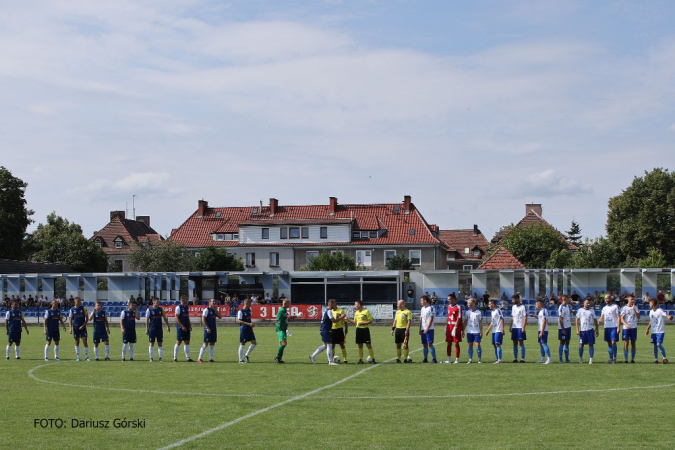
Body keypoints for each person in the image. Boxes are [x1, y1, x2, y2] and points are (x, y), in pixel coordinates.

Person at [309, 299, 340, 365]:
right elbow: (333, 321)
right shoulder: (329, 311)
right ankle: (330, 362)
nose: (335, 305)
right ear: (331, 304)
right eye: (334, 304)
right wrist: (341, 317)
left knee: (325, 345)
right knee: (329, 344)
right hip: (325, 330)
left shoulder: (326, 310)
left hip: (324, 329)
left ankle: (313, 356)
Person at [345, 299, 376, 364]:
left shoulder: (366, 311)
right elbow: (355, 322)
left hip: (365, 330)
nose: (355, 305)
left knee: (368, 345)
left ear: (359, 305)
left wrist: (363, 323)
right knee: (360, 345)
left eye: (355, 304)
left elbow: (370, 321)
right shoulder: (356, 312)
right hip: (358, 330)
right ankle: (360, 359)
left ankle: (373, 359)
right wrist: (348, 319)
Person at [645, 298, 674, 364]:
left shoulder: (660, 310)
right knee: (655, 345)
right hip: (654, 332)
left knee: (658, 344)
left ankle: (664, 358)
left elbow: (666, 314)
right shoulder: (651, 312)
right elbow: (651, 321)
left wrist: (669, 317)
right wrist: (647, 329)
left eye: (650, 303)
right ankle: (656, 359)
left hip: (660, 331)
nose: (649, 304)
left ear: (652, 303)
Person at [146, 298, 171, 362]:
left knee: (160, 343)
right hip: (152, 329)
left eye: (158, 301)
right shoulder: (149, 310)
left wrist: (168, 326)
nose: (157, 302)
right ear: (153, 302)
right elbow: (147, 320)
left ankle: (160, 358)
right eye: (156, 301)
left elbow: (165, 318)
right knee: (151, 343)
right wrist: (147, 328)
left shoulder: (161, 310)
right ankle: (151, 358)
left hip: (159, 329)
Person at [274, 299, 299, 363]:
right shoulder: (282, 310)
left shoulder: (283, 309)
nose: (290, 304)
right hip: (280, 328)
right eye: (289, 303)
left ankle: (279, 358)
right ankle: (277, 356)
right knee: (284, 343)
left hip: (282, 328)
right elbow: (289, 317)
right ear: (286, 303)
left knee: (281, 343)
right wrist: (297, 315)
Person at [198, 298, 222, 363]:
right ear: (209, 303)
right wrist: (207, 327)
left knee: (212, 344)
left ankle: (211, 359)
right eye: (213, 302)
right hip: (208, 329)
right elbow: (203, 319)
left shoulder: (214, 310)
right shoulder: (206, 310)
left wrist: (216, 310)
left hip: (214, 329)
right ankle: (199, 358)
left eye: (215, 302)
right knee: (205, 343)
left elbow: (220, 317)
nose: (214, 303)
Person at [599, 293, 620, 364]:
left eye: (607, 298)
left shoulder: (615, 306)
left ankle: (614, 358)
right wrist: (597, 324)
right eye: (605, 299)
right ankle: (610, 358)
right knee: (609, 343)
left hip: (614, 326)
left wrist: (618, 327)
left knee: (613, 342)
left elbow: (618, 317)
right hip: (607, 327)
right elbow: (602, 318)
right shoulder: (604, 308)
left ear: (610, 298)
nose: (606, 300)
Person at [576, 299, 599, 364]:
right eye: (586, 303)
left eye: (589, 303)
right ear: (584, 303)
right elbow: (577, 320)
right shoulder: (580, 310)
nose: (588, 304)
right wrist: (577, 330)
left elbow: (595, 320)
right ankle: (580, 358)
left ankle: (591, 359)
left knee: (591, 344)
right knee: (581, 345)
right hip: (582, 331)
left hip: (590, 330)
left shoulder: (592, 311)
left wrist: (597, 329)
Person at [620, 295, 640, 363]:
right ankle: (626, 359)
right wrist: (626, 324)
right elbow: (622, 319)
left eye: (633, 299)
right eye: (631, 299)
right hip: (626, 328)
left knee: (633, 343)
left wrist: (634, 310)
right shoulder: (624, 308)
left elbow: (638, 317)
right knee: (626, 343)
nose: (632, 300)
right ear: (628, 299)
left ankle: (632, 359)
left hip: (633, 327)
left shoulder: (635, 307)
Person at [69, 297, 90, 362]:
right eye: (78, 301)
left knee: (85, 341)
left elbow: (87, 319)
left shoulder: (83, 309)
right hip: (75, 328)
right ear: (74, 302)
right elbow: (70, 319)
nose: (79, 302)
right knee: (76, 341)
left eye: (79, 301)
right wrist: (70, 328)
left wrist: (83, 326)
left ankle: (86, 356)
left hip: (83, 328)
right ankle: (78, 357)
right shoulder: (72, 309)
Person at [174, 295, 193, 362]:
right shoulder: (178, 307)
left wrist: (189, 325)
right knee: (179, 341)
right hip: (180, 328)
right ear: (182, 299)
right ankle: (175, 358)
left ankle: (188, 358)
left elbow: (187, 317)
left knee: (187, 341)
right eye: (185, 299)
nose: (187, 300)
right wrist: (182, 326)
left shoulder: (187, 307)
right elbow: (176, 318)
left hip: (187, 327)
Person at [444, 293, 463, 363]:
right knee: (448, 343)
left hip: (455, 327)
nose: (448, 300)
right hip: (449, 327)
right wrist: (446, 326)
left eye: (450, 299)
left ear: (454, 299)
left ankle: (457, 359)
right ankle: (448, 359)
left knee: (456, 343)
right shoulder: (448, 306)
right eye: (448, 299)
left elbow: (459, 318)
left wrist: (455, 328)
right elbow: (448, 317)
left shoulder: (458, 307)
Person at [237, 298, 257, 363]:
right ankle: (240, 360)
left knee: (254, 343)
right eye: (250, 303)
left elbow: (249, 319)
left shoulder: (249, 310)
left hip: (249, 329)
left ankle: (246, 355)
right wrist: (248, 324)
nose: (251, 304)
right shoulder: (241, 311)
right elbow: (239, 321)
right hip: (244, 329)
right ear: (246, 303)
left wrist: (251, 325)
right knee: (242, 344)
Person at [531, 299, 551, 364]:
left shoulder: (544, 311)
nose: (536, 306)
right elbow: (540, 318)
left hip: (544, 330)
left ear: (539, 304)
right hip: (540, 329)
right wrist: (534, 316)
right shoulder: (540, 312)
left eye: (536, 304)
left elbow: (544, 322)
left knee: (544, 343)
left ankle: (549, 358)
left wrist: (542, 332)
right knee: (541, 344)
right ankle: (542, 358)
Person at [463, 298, 483, 364]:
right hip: (469, 332)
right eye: (468, 303)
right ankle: (470, 359)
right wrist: (463, 330)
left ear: (473, 303)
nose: (468, 304)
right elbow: (465, 322)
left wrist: (481, 331)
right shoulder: (467, 312)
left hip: (476, 331)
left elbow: (480, 323)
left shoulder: (478, 312)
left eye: (469, 303)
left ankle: (479, 359)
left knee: (477, 344)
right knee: (470, 345)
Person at [485, 299, 504, 364]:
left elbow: (502, 319)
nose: (489, 305)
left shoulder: (498, 310)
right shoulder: (492, 312)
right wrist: (488, 330)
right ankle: (497, 358)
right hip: (494, 330)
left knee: (497, 344)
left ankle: (499, 359)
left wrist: (502, 329)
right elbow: (492, 322)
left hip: (498, 330)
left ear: (493, 304)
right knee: (494, 345)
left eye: (490, 304)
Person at [418, 295, 437, 364]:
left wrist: (427, 328)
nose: (420, 302)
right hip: (423, 329)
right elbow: (421, 319)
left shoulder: (431, 308)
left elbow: (431, 318)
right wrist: (420, 328)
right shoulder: (422, 308)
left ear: (425, 300)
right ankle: (425, 358)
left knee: (430, 344)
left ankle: (434, 359)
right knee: (424, 344)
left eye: (421, 300)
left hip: (429, 329)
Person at [510, 295, 527, 363]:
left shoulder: (523, 307)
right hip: (514, 327)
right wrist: (510, 326)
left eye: (513, 300)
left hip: (520, 327)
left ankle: (522, 358)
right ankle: (515, 358)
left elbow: (525, 317)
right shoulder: (513, 307)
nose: (512, 301)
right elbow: (512, 317)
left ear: (517, 299)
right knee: (514, 343)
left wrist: (523, 327)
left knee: (521, 343)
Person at [557, 295, 572, 363]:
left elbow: (567, 312)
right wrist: (563, 329)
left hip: (568, 327)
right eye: (568, 299)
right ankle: (560, 358)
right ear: (565, 299)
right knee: (562, 342)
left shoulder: (567, 306)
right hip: (563, 328)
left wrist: (572, 311)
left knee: (567, 342)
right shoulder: (561, 307)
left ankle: (567, 358)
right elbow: (560, 319)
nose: (569, 300)